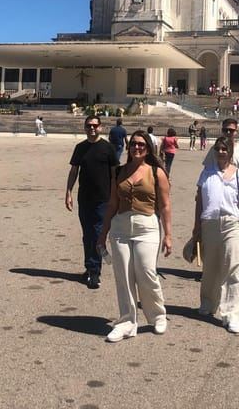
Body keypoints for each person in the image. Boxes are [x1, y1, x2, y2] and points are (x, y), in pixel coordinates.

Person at [98, 131, 172, 342]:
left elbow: (165, 206)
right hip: (120, 227)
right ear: (128, 148)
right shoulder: (118, 171)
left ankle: (158, 315)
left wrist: (168, 235)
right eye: (133, 145)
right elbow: (112, 203)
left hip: (147, 226)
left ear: (148, 148)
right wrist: (102, 234)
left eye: (141, 145)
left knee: (146, 272)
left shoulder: (157, 172)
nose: (136, 148)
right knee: (123, 276)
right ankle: (127, 322)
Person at [193, 136, 239, 334]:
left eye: (224, 149)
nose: (220, 152)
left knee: (233, 267)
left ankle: (233, 314)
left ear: (230, 152)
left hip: (232, 224)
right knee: (210, 266)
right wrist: (196, 227)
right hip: (209, 223)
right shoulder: (206, 174)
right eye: (217, 148)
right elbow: (199, 202)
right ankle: (208, 303)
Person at [65, 115, 119, 289]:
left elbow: (114, 174)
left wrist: (115, 195)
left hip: (103, 199)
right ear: (84, 127)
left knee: (96, 233)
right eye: (89, 126)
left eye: (95, 125)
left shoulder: (108, 148)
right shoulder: (80, 148)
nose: (92, 128)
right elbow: (74, 171)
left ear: (101, 127)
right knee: (87, 234)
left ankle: (95, 271)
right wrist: (68, 192)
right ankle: (89, 267)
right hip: (85, 198)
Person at [202, 118, 239, 185]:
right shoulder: (214, 149)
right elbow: (207, 169)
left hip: (236, 188)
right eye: (225, 130)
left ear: (236, 132)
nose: (228, 132)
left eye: (231, 130)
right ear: (222, 131)